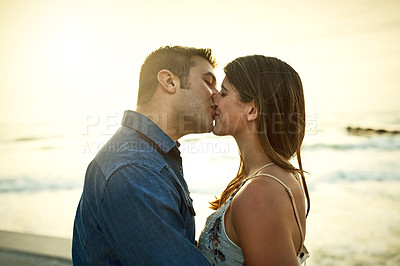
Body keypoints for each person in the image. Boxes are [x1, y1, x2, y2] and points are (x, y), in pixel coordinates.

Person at [72, 45, 218, 265]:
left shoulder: (149, 155)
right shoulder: (134, 169)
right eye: (208, 82)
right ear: (169, 82)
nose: (216, 96)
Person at [198, 55, 310, 265]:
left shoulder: (260, 192)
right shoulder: (276, 177)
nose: (214, 98)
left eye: (223, 93)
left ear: (252, 110)